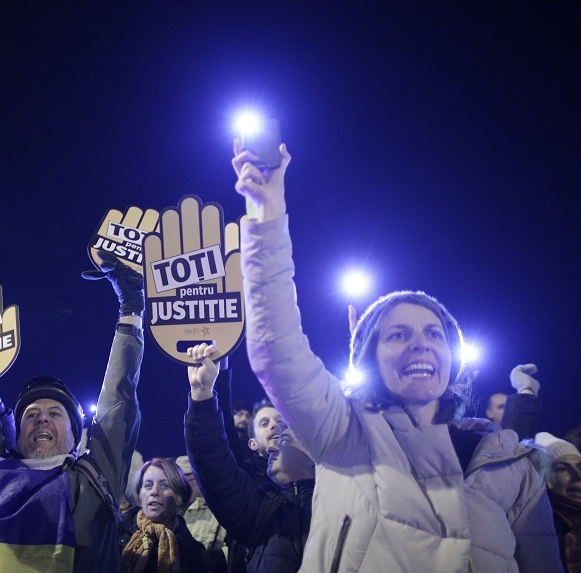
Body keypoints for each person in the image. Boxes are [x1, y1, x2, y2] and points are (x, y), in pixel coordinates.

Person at [232, 138, 561, 571]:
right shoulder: (341, 431)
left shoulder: (507, 462)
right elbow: (277, 346)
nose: (420, 343)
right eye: (398, 335)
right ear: (369, 359)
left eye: (434, 334)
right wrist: (267, 214)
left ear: (451, 357)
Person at [0, 250, 143, 572]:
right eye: (31, 414)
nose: (41, 417)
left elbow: (118, 399)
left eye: (55, 413)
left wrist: (132, 309)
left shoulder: (96, 479)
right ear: (19, 431)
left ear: (76, 433)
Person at [185, 343, 314, 572]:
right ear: (252, 443)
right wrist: (209, 387)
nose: (275, 426)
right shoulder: (258, 501)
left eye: (282, 422)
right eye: (265, 423)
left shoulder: (338, 488)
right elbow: (217, 454)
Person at [118, 458, 210, 572]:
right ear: (140, 495)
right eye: (148, 485)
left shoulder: (192, 552)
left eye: (164, 486)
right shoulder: (115, 533)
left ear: (178, 497)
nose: (154, 491)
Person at [535, 432, 581, 571]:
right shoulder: (539, 532)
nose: (578, 476)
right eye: (562, 469)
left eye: (580, 467)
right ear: (545, 479)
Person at [174, 455, 227, 571]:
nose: (180, 487)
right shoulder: (171, 511)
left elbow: (238, 548)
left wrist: (215, 558)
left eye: (185, 480)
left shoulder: (220, 510)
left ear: (198, 478)